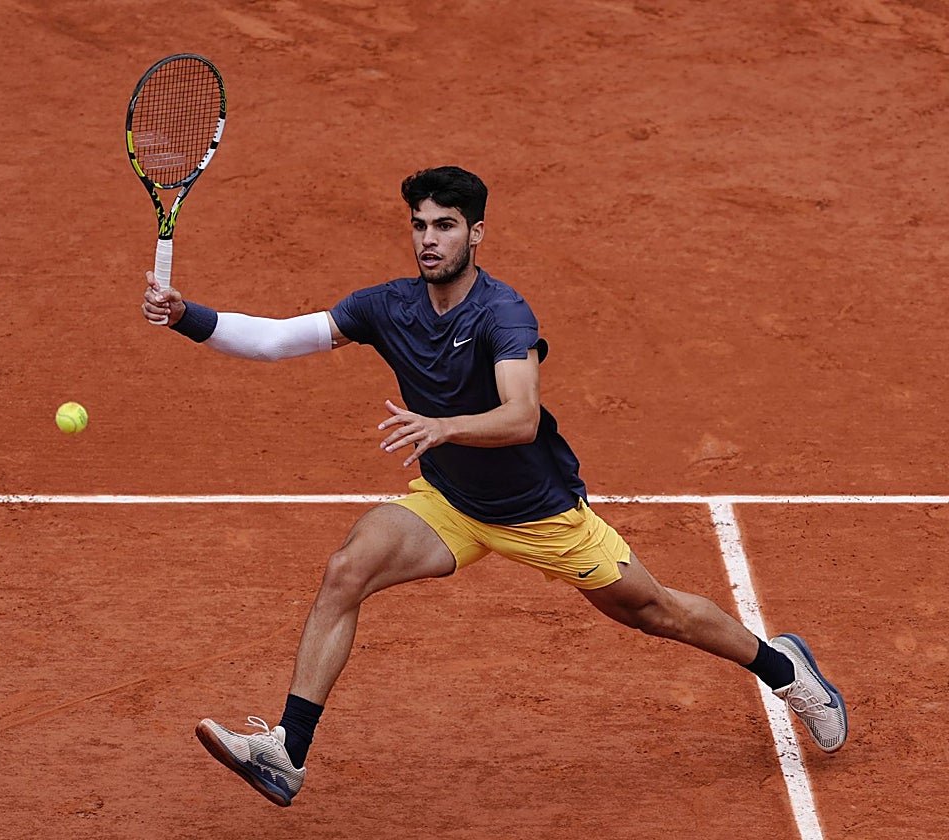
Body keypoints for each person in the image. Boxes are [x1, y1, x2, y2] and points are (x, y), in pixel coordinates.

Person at [141, 166, 847, 807]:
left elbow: (520, 416)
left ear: (477, 233)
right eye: (419, 224)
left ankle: (780, 664)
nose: (428, 239)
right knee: (346, 570)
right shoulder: (386, 307)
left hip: (538, 512)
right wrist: (185, 317)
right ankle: (288, 753)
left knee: (652, 612)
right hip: (450, 504)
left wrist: (443, 428)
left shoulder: (503, 314)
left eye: (445, 225)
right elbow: (274, 340)